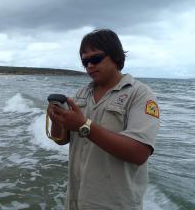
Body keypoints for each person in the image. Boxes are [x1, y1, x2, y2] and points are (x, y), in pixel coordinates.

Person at [47, 29, 160, 210]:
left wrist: (84, 125)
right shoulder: (81, 94)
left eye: (96, 58)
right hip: (75, 200)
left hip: (114, 204)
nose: (89, 65)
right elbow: (61, 140)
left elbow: (139, 153)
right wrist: (56, 120)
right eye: (85, 61)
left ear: (116, 56)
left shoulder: (141, 95)